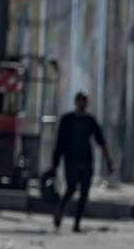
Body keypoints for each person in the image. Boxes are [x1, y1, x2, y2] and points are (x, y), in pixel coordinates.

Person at [48, 92, 112, 233]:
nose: (82, 104)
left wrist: (108, 162)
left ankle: (76, 223)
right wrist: (55, 163)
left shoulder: (90, 120)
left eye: (84, 101)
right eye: (80, 101)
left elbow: (101, 141)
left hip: (86, 162)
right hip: (71, 160)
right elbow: (60, 143)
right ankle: (60, 211)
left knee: (84, 193)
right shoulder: (67, 120)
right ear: (75, 102)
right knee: (71, 188)